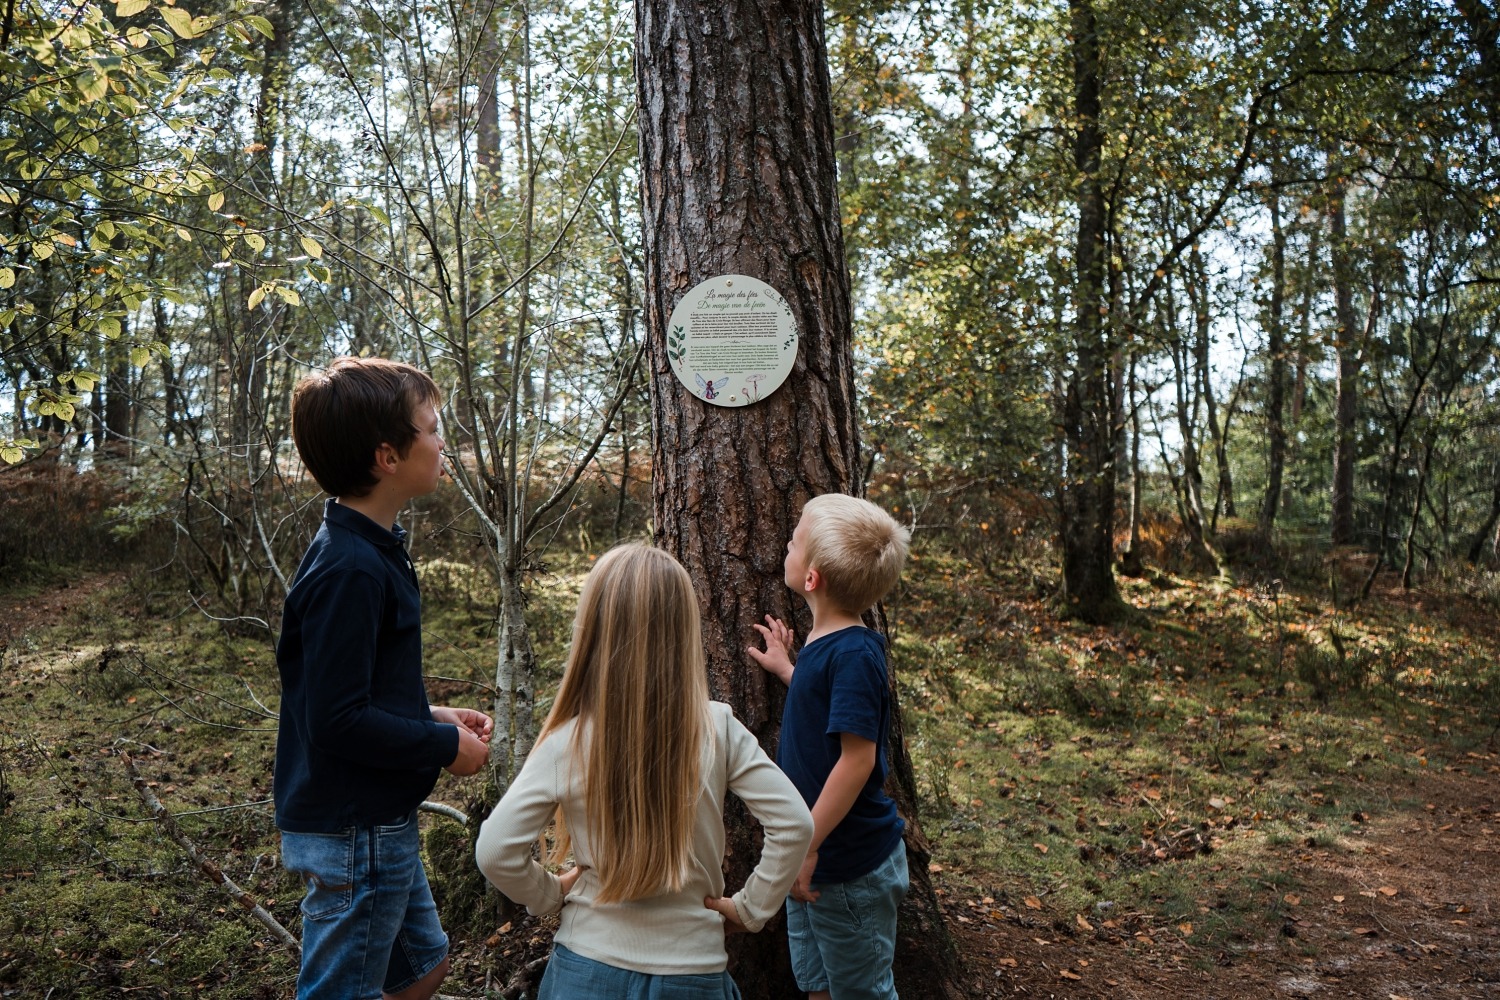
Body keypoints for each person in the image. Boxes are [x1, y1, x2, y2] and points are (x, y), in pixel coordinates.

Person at [475, 544, 814, 1000]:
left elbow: (496, 851)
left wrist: (549, 895)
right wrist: (750, 909)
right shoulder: (716, 726)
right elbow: (794, 824)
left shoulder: (568, 740)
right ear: (684, 631)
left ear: (593, 631)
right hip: (694, 973)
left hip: (585, 970)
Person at [274, 357, 493, 1000]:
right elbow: (336, 720)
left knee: (422, 968)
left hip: (377, 819)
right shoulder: (350, 569)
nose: (443, 437)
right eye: (431, 426)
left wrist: (433, 718)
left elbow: (354, 694)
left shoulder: (372, 547)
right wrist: (443, 748)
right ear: (387, 457)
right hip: (354, 831)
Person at [747, 493, 912, 1000]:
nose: (787, 543)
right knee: (817, 983)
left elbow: (858, 759)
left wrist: (808, 844)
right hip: (812, 858)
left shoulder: (857, 654)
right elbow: (829, 708)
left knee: (860, 991)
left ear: (812, 578)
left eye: (794, 540)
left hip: (845, 866)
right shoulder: (827, 644)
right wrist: (788, 670)